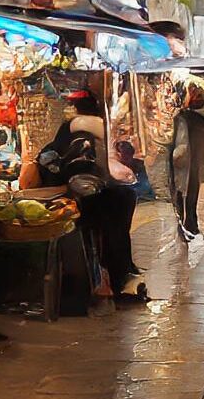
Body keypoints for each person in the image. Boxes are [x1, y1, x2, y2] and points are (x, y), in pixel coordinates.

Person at [40, 89, 142, 302]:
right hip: (110, 195)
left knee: (90, 228)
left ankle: (98, 280)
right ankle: (118, 277)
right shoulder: (104, 129)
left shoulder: (69, 128)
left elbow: (50, 158)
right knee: (116, 230)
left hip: (87, 199)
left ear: (75, 109)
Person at [168, 86, 204, 241]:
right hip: (190, 165)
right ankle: (188, 226)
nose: (197, 97)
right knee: (187, 196)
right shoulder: (195, 120)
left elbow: (181, 147)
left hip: (188, 165)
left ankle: (187, 226)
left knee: (185, 195)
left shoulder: (185, 118)